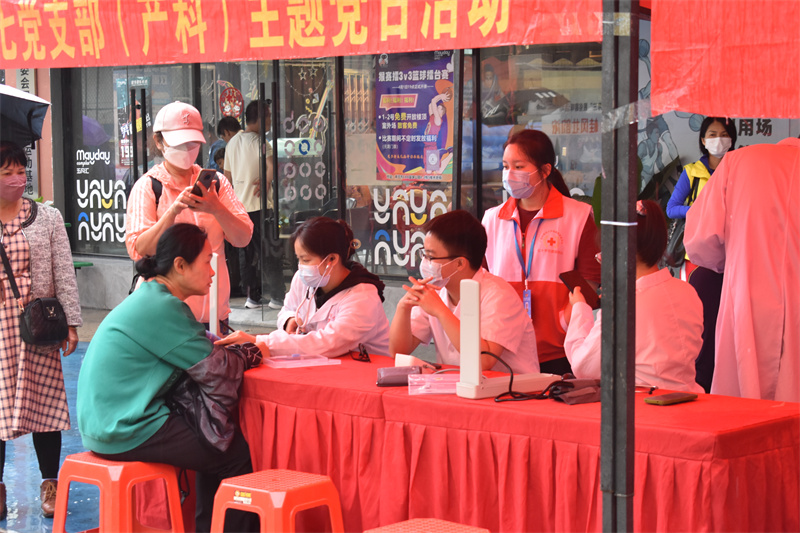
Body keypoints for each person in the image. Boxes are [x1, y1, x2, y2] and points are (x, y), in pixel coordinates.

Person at [77, 224, 258, 533]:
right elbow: (219, 369)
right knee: (230, 451)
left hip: (104, 422)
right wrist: (253, 350)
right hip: (123, 427)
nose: (212, 272)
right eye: (206, 261)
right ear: (180, 265)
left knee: (215, 442)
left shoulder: (151, 297)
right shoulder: (162, 306)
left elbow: (201, 350)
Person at [0, 141, 82, 518]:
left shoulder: (47, 217)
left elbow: (64, 272)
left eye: (21, 172)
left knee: (45, 407)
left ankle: (50, 484)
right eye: (7, 173)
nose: (17, 179)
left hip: (38, 325)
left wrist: (72, 322)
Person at [685, 137, 800, 403]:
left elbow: (700, 239)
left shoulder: (738, 162)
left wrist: (730, 260)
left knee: (742, 399)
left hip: (746, 293)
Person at [126, 101, 253, 330]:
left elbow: (243, 237)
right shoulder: (148, 187)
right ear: (159, 141)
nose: (186, 149)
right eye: (179, 143)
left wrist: (216, 208)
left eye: (192, 143)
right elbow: (138, 249)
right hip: (163, 317)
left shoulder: (217, 184)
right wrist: (172, 212)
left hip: (213, 314)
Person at [482, 129, 600, 374]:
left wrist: (565, 321)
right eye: (505, 166)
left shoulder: (577, 216)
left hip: (559, 351)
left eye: (519, 166)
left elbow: (590, 282)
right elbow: (480, 280)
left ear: (545, 171)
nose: (509, 174)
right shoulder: (492, 219)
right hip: (502, 349)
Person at [564, 200, 704, 393]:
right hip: (688, 399)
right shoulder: (687, 292)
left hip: (643, 403)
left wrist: (580, 309)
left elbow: (584, 367)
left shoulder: (624, 304)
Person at [218, 216, 390, 357]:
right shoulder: (304, 280)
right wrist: (289, 320)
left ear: (332, 259)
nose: (301, 266)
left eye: (306, 260)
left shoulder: (363, 296)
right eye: (298, 259)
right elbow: (287, 309)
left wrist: (260, 342)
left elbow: (327, 343)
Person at [390, 210, 538, 373]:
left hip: (510, 386)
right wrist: (403, 308)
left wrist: (440, 311)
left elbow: (484, 360)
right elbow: (397, 351)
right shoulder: (436, 290)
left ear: (460, 263)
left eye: (431, 257)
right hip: (454, 383)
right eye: (423, 254)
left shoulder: (499, 295)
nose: (425, 262)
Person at [666, 116, 736, 392]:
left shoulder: (738, 168)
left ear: (732, 138)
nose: (718, 139)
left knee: (727, 317)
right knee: (700, 319)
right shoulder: (692, 171)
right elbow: (672, 208)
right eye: (712, 134)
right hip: (698, 256)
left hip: (733, 254)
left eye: (723, 133)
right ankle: (700, 379)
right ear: (703, 140)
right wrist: (699, 209)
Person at [224, 101, 285, 310]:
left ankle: (252, 297)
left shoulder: (232, 143)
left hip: (240, 209)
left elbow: (226, 177)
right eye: (268, 116)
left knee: (247, 254)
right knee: (269, 252)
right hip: (260, 207)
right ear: (260, 118)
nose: (270, 120)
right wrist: (267, 180)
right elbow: (272, 166)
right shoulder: (261, 142)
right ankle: (277, 296)